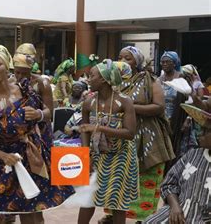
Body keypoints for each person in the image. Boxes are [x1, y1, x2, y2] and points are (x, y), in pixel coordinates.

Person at [0, 45, 74, 224]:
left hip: (33, 153)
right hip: (9, 160)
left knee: (32, 210)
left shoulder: (23, 88)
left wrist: (39, 114)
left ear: (7, 66)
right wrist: (4, 156)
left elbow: (47, 112)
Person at [113, 46, 176, 222]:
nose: (123, 61)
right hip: (122, 136)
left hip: (149, 137)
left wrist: (130, 108)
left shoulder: (150, 80)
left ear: (138, 62)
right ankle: (116, 216)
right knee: (120, 177)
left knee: (146, 178)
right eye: (120, 57)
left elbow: (159, 107)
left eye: (128, 58)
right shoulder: (114, 80)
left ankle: (143, 218)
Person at [78, 60, 138, 224]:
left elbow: (130, 133)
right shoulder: (89, 102)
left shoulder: (124, 101)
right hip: (97, 156)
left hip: (121, 158)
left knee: (117, 203)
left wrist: (99, 128)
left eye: (91, 76)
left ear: (104, 79)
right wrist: (86, 154)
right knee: (88, 197)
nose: (88, 79)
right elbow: (84, 130)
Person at [144, 131, 211, 224]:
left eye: (206, 130)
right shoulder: (192, 155)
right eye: (201, 128)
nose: (200, 133)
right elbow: (169, 183)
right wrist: (175, 206)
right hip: (176, 214)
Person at [158, 51, 190, 170]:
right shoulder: (159, 79)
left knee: (174, 148)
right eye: (162, 62)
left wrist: (188, 119)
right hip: (162, 120)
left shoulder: (181, 78)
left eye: (168, 62)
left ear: (175, 63)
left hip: (177, 119)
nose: (164, 64)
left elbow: (190, 99)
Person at [13, 43, 54, 122]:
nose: (20, 76)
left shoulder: (41, 83)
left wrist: (38, 114)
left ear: (30, 70)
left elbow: (50, 112)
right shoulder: (10, 82)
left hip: (39, 128)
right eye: (17, 72)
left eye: (24, 73)